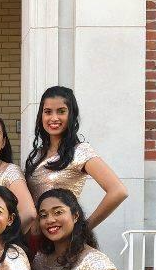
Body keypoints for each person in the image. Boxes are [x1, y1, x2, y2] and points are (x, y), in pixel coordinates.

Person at [25, 86, 128, 230]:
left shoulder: (80, 152)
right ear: (41, 116)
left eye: (61, 111)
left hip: (60, 234)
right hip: (34, 235)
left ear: (71, 114)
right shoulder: (37, 155)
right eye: (48, 112)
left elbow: (118, 191)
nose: (54, 118)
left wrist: (83, 229)